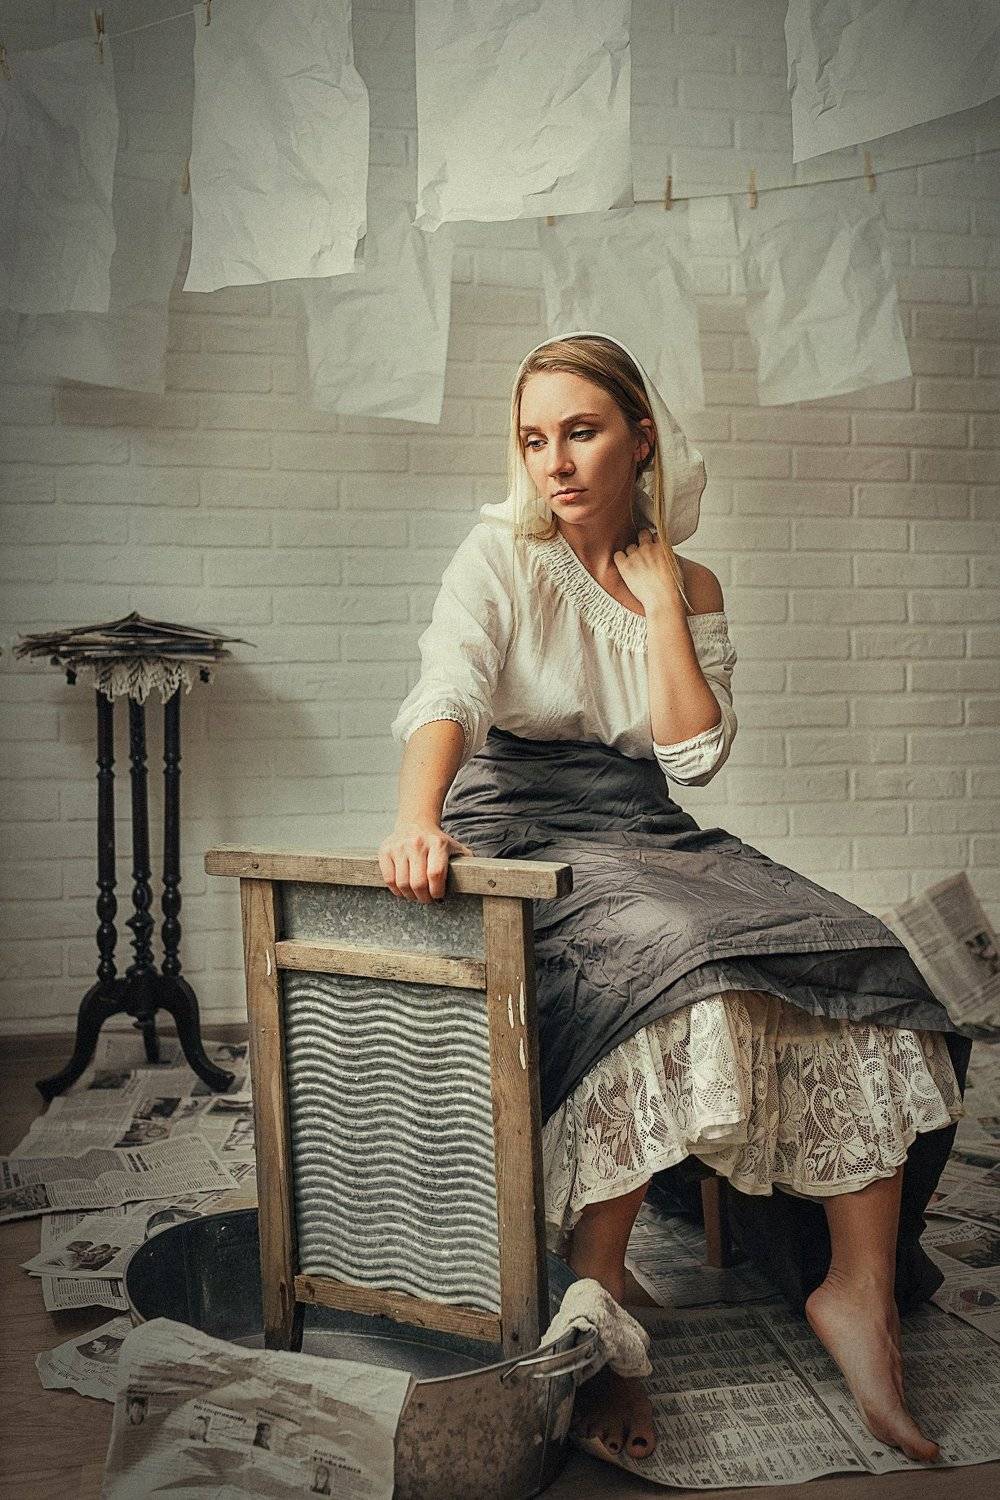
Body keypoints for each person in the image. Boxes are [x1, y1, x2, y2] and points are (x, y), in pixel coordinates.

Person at [379, 330, 971, 1471]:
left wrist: (658, 604)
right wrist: (417, 815)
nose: (555, 462)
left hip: (643, 822)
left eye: (582, 432)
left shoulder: (688, 585)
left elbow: (691, 757)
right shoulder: (500, 552)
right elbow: (448, 685)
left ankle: (858, 1294)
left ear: (641, 439)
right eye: (533, 439)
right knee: (678, 957)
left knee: (855, 948)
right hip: (519, 819)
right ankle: (597, 1300)